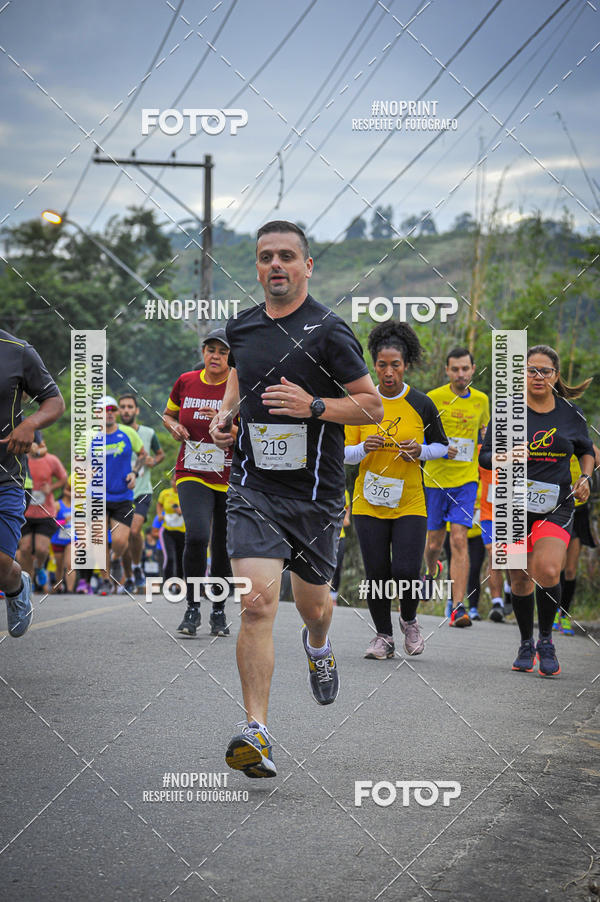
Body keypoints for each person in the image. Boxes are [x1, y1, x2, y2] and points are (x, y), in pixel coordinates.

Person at [210, 220, 383, 778]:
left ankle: (318, 644)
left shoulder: (330, 331)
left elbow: (371, 407)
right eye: (265, 257)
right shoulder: (241, 328)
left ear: (308, 266)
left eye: (287, 256)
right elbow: (242, 377)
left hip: (316, 496)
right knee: (257, 604)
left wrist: (314, 406)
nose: (275, 265)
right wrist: (227, 413)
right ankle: (256, 731)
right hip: (254, 488)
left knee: (314, 606)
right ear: (257, 267)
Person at [479, 345, 594, 676]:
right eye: (531, 370)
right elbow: (485, 457)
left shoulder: (570, 414)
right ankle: (525, 642)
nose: (538, 376)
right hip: (512, 506)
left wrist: (585, 477)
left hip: (555, 506)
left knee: (546, 570)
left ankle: (546, 640)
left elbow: (586, 450)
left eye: (545, 371)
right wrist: (506, 457)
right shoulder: (507, 411)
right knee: (519, 578)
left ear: (556, 376)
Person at [345, 322, 449, 659]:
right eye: (382, 365)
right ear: (373, 364)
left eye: (396, 365)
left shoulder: (421, 403)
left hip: (410, 501)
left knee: (405, 570)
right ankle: (383, 637)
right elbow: (342, 454)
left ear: (406, 365)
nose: (388, 372)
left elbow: (442, 447)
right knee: (376, 573)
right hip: (368, 501)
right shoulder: (361, 403)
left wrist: (420, 450)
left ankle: (409, 619)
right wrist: (365, 449)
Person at [162, 328, 236, 638]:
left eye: (222, 351)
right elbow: (167, 415)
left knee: (222, 546)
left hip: (229, 475)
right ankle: (192, 608)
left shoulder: (238, 384)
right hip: (191, 471)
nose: (215, 356)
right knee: (196, 536)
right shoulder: (186, 381)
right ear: (203, 352)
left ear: (231, 356)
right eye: (210, 350)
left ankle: (218, 611)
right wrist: (175, 426)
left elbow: (247, 432)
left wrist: (224, 422)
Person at [0, 329, 64, 636]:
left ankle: (14, 583)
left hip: (6, 476)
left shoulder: (17, 351)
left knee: (3, 562)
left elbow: (54, 401)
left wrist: (30, 424)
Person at [423, 347, 490, 628]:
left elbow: (484, 437)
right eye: (455, 369)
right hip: (435, 480)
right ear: (447, 371)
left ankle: (458, 606)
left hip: (466, 480)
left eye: (465, 369)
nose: (461, 374)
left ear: (473, 369)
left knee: (459, 539)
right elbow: (420, 441)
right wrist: (439, 450)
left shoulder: (482, 401)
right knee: (433, 543)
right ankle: (430, 570)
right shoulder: (433, 399)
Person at [92, 396, 146, 595]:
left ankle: (115, 560)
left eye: (112, 409)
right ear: (97, 414)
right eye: (104, 410)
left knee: (121, 541)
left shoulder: (128, 433)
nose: (109, 413)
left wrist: (135, 472)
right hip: (97, 495)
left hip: (122, 495)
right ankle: (105, 580)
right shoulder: (89, 436)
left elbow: (142, 455)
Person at [117, 393, 164, 592]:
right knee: (124, 538)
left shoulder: (148, 433)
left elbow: (159, 454)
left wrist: (155, 460)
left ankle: (136, 567)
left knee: (134, 531)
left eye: (130, 407)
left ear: (136, 410)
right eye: (123, 407)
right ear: (118, 411)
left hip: (142, 490)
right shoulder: (113, 433)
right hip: (119, 493)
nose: (126, 410)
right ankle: (130, 575)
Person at [553, 446, 600, 634]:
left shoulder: (581, 439)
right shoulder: (560, 436)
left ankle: (564, 614)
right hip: (559, 506)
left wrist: (588, 443)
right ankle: (553, 612)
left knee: (571, 569)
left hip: (579, 509)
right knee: (558, 566)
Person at [17, 435, 67, 590]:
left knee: (41, 549)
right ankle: (26, 582)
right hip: (25, 511)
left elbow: (63, 478)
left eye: (35, 442)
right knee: (24, 549)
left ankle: (39, 567)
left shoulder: (51, 460)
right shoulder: (20, 458)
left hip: (45, 512)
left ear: (41, 444)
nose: (32, 445)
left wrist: (51, 488)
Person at [156, 474, 185, 581]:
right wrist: (159, 514)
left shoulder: (186, 493)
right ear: (171, 481)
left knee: (180, 559)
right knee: (170, 558)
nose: (176, 483)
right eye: (174, 480)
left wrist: (181, 511)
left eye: (178, 481)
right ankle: (167, 583)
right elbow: (159, 504)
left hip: (183, 532)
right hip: (167, 531)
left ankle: (179, 583)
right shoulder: (165, 493)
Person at [50, 479, 76, 593]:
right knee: (59, 566)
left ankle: (70, 591)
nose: (71, 493)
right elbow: (50, 523)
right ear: (64, 490)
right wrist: (64, 521)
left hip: (73, 539)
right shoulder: (57, 505)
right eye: (69, 489)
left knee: (70, 564)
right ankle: (59, 585)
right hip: (58, 539)